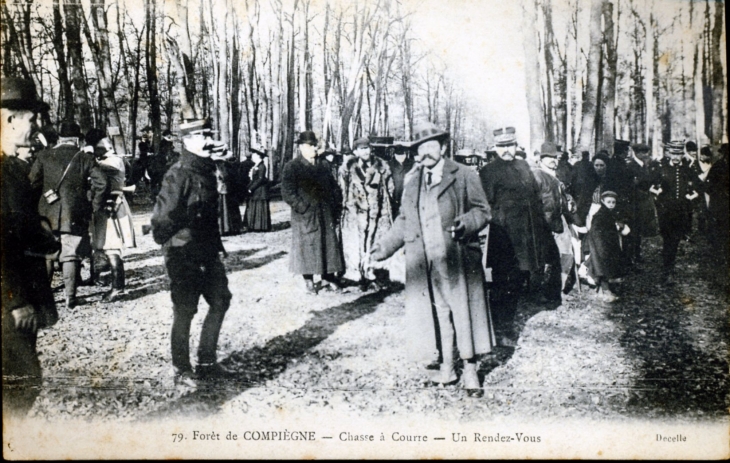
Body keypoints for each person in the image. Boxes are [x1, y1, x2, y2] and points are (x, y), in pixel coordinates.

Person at [371, 122, 494, 397]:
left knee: (463, 313)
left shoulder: (464, 174)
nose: (425, 153)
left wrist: (466, 223)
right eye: (419, 149)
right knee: (438, 315)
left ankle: (471, 369)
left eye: (430, 146)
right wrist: (383, 248)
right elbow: (405, 221)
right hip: (424, 263)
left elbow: (483, 211)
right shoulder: (413, 182)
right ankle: (448, 368)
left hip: (457, 258)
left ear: (442, 147)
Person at [151, 119, 234, 388]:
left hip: (207, 251)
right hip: (183, 251)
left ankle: (207, 360)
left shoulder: (207, 168)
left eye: (208, 134)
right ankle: (182, 368)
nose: (206, 139)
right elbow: (162, 217)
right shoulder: (179, 172)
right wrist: (175, 243)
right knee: (185, 309)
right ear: (186, 141)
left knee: (221, 299)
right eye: (199, 135)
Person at [1, 77, 60, 417]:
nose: (38, 125)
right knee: (22, 381)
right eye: (32, 118)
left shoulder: (12, 166)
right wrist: (17, 300)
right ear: (10, 120)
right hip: (10, 301)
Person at [479, 126, 547, 326]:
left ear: (516, 145)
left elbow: (535, 196)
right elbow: (485, 204)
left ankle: (507, 318)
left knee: (518, 277)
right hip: (503, 236)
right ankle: (499, 324)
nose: (506, 150)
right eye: (502, 146)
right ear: (495, 147)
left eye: (510, 145)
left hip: (526, 235)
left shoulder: (524, 166)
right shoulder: (488, 171)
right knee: (501, 280)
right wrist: (502, 219)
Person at [29, 120, 95, 308]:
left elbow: (31, 183)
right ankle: (70, 297)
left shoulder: (43, 156)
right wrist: (91, 202)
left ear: (59, 138)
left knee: (48, 255)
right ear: (76, 139)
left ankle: (43, 297)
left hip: (46, 213)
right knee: (70, 253)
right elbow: (101, 182)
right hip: (73, 213)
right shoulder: (84, 158)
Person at [281, 131, 345, 294]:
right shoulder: (292, 166)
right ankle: (308, 280)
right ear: (302, 147)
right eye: (311, 145)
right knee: (307, 247)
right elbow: (287, 192)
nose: (314, 148)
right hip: (305, 215)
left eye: (315, 145)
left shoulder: (323, 165)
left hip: (325, 212)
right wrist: (302, 207)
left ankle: (328, 277)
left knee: (328, 245)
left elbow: (333, 186)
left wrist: (335, 204)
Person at [87, 129, 136, 302]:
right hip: (103, 207)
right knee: (101, 244)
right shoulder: (102, 160)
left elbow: (103, 171)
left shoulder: (114, 160)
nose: (106, 144)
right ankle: (99, 277)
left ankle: (118, 287)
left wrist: (87, 159)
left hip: (113, 206)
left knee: (112, 246)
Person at [339, 136, 394, 290]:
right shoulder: (347, 169)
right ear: (355, 151)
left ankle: (373, 275)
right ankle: (355, 276)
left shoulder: (382, 167)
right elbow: (342, 190)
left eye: (367, 148)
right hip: (354, 214)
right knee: (354, 245)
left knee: (375, 243)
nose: (365, 152)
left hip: (377, 214)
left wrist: (383, 207)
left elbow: (390, 189)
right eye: (361, 149)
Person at [532, 142, 577, 301]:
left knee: (565, 255)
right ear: (541, 158)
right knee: (542, 260)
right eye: (549, 157)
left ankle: (557, 290)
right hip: (543, 224)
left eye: (555, 157)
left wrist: (569, 202)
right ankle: (538, 293)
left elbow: (560, 199)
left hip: (559, 222)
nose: (553, 160)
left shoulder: (556, 176)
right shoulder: (537, 176)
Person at [651, 141, 699, 286]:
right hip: (665, 212)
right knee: (668, 241)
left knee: (675, 241)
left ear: (682, 154)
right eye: (674, 153)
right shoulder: (662, 169)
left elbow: (699, 187)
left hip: (681, 212)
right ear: (669, 154)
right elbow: (649, 185)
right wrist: (657, 193)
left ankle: (668, 271)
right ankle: (667, 271)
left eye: (679, 153)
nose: (676, 156)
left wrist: (691, 197)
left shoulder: (687, 170)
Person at [584, 191, 629, 302]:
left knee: (609, 264)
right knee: (602, 265)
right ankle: (605, 291)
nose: (611, 204)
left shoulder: (609, 213)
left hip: (608, 243)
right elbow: (596, 231)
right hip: (600, 244)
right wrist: (601, 245)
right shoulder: (600, 215)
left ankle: (609, 288)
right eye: (608, 202)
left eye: (613, 202)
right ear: (603, 201)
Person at [623, 143, 660, 266]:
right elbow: (630, 187)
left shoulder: (645, 166)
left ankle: (637, 254)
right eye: (643, 152)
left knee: (638, 230)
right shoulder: (631, 167)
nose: (645, 155)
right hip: (633, 203)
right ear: (636, 153)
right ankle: (630, 257)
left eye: (646, 152)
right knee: (632, 230)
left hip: (642, 203)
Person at [243, 150, 272, 232]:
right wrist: (248, 187)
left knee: (259, 207)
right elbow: (254, 179)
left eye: (254, 155)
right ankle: (254, 226)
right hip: (256, 189)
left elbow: (260, 179)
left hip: (261, 190)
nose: (252, 156)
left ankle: (261, 226)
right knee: (254, 206)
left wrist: (251, 188)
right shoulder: (256, 165)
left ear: (258, 157)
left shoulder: (262, 166)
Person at [387, 149, 415, 218]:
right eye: (398, 155)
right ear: (395, 155)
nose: (401, 157)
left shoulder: (411, 164)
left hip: (408, 196)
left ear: (405, 154)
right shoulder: (389, 164)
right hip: (394, 196)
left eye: (402, 155)